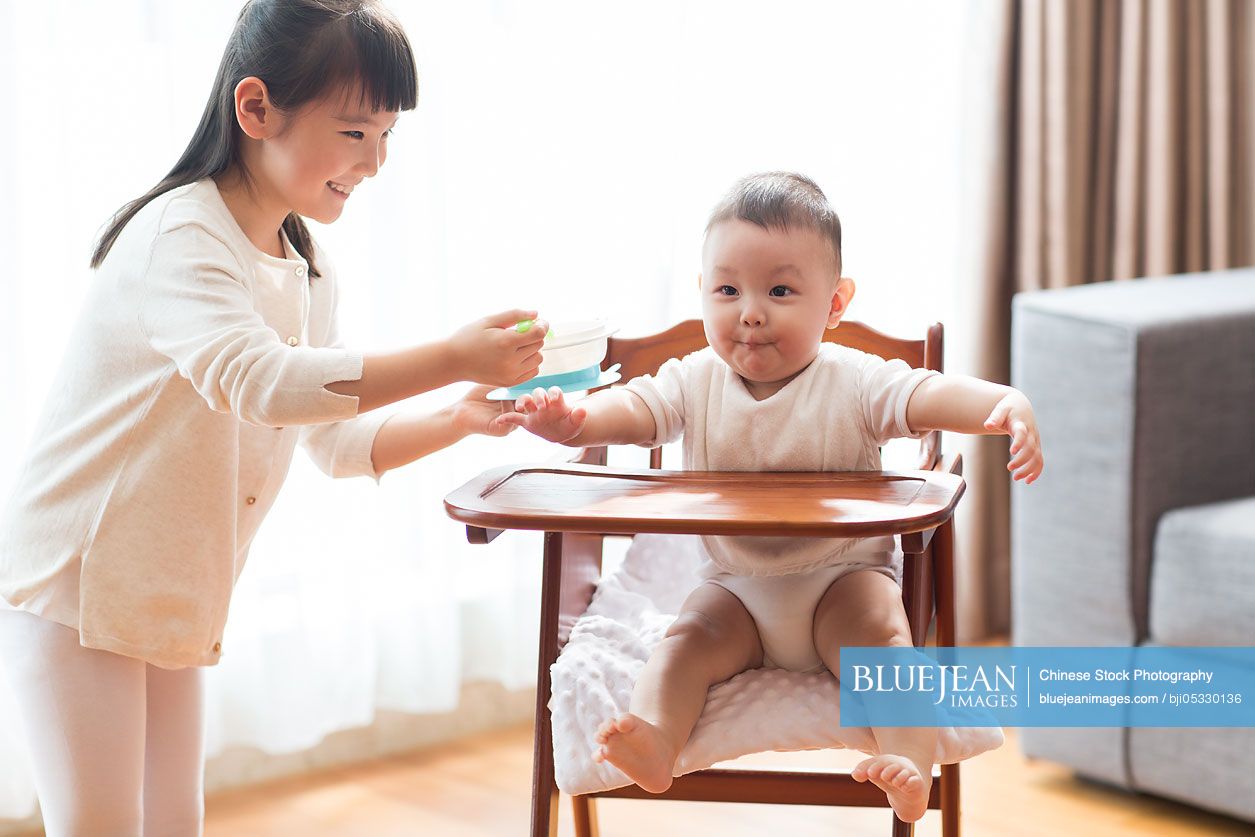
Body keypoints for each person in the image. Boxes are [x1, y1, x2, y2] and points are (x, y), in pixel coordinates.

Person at [0, 2, 536, 834]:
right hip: (78, 582)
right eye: (356, 132)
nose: (377, 160)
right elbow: (259, 382)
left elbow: (330, 438)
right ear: (255, 109)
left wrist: (462, 413)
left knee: (176, 823)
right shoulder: (181, 234)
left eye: (388, 135)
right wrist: (452, 356)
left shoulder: (305, 265)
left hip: (169, 588)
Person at [500, 171, 1044, 823]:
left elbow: (924, 394)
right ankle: (654, 738)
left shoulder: (853, 380)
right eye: (727, 289)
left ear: (834, 302)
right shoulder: (692, 380)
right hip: (735, 589)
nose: (750, 310)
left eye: (780, 290)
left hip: (841, 579)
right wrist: (577, 421)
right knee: (683, 642)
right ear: (702, 291)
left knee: (881, 641)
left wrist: (1000, 405)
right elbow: (635, 408)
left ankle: (908, 766)